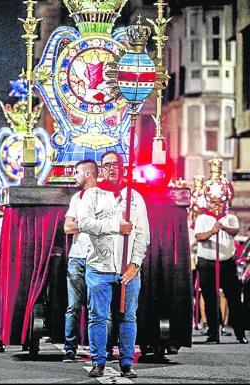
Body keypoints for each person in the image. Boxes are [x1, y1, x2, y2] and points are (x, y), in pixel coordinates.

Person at [77, 151, 150, 379]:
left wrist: (135, 264)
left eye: (116, 164)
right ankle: (98, 361)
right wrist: (115, 226)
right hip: (99, 267)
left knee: (128, 316)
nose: (112, 169)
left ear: (123, 167)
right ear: (100, 169)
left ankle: (127, 362)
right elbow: (85, 223)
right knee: (98, 316)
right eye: (107, 165)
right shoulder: (92, 195)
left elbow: (142, 235)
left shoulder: (135, 197)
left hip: (128, 270)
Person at [194, 202, 248, 344]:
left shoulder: (230, 218)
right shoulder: (202, 219)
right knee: (210, 299)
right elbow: (199, 236)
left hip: (227, 262)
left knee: (234, 299)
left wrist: (223, 227)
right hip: (207, 262)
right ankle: (213, 332)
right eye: (214, 203)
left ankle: (240, 333)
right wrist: (212, 231)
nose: (217, 205)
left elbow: (235, 231)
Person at [62, 159, 97, 362]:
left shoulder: (104, 197)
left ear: (87, 174)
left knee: (97, 308)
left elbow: (107, 225)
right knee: (73, 306)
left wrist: (81, 224)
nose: (74, 176)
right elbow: (68, 227)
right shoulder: (77, 197)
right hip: (76, 256)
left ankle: (99, 348)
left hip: (96, 257)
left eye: (77, 172)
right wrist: (92, 225)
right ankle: (70, 348)